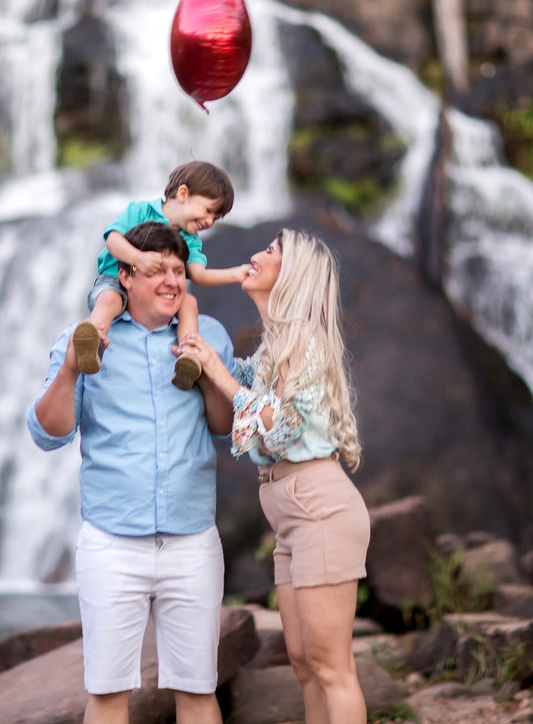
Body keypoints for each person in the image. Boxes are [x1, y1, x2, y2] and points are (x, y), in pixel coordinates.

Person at [27, 221, 236, 724]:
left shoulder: (209, 336)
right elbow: (48, 433)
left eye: (178, 270)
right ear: (125, 276)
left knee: (198, 691)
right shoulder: (84, 339)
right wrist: (73, 369)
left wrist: (207, 370)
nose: (171, 280)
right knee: (106, 694)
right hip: (111, 543)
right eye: (157, 269)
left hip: (192, 542)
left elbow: (224, 427)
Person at [177, 229, 371, 724]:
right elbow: (246, 385)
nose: (255, 256)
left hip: (320, 510)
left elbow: (281, 428)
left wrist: (218, 373)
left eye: (270, 252)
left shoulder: (305, 343)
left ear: (292, 276)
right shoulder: (274, 349)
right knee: (305, 666)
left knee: (332, 668)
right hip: (291, 517)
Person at [72, 160, 249, 391]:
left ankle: (188, 355)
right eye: (208, 211)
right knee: (109, 300)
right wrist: (138, 259)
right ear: (183, 193)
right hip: (116, 281)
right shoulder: (140, 211)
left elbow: (197, 274)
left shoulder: (191, 240)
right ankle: (91, 343)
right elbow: (112, 239)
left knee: (189, 303)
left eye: (216, 218)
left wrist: (234, 275)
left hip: (159, 294)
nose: (209, 221)